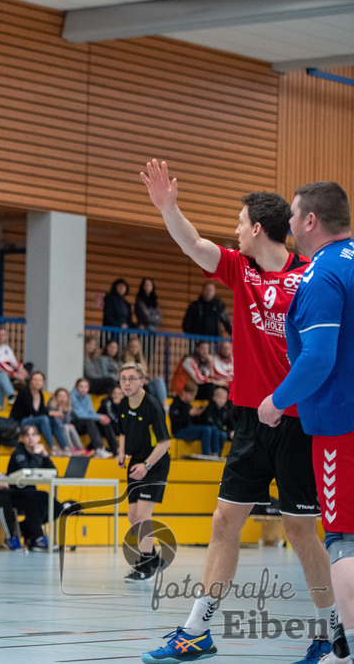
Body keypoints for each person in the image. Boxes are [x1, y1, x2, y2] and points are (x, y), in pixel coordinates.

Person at [140, 160, 343, 664]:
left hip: (299, 420)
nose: (233, 230)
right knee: (224, 520)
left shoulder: (312, 275)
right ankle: (196, 632)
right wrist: (169, 207)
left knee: (300, 530)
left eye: (238, 221)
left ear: (257, 228)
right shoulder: (241, 269)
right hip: (252, 419)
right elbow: (194, 244)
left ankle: (331, 629)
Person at [258, 181, 354, 664]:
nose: (290, 225)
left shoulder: (323, 276)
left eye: (294, 217)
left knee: (343, 539)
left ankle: (349, 651)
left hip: (341, 427)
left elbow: (317, 358)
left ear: (311, 221)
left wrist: (276, 401)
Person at [114, 363, 171, 582]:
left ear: (142, 381)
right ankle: (154, 559)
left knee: (142, 516)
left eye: (131, 378)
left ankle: (146, 566)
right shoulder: (123, 404)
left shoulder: (152, 406)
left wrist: (146, 466)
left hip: (154, 464)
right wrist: (121, 453)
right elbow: (122, 432)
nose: (126, 383)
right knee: (132, 516)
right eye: (123, 379)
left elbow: (164, 443)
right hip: (135, 462)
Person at [5, 424, 63, 551]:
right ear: (22, 439)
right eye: (27, 435)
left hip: (32, 492)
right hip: (15, 493)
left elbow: (54, 472)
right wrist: (37, 454)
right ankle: (38, 539)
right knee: (33, 501)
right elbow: (28, 471)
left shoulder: (40, 453)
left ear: (38, 438)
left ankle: (21, 528)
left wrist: (46, 455)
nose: (30, 438)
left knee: (57, 507)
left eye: (33, 435)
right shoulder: (18, 453)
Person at [9, 371, 69, 455]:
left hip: (33, 421)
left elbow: (41, 410)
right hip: (20, 421)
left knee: (52, 420)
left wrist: (51, 414)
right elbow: (33, 412)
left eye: (40, 380)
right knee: (44, 418)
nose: (38, 382)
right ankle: (53, 447)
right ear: (30, 381)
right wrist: (52, 413)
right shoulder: (24, 392)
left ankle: (65, 448)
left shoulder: (40, 394)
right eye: (35, 380)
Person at [169, 382, 222, 457]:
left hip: (189, 429)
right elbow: (176, 423)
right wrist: (189, 414)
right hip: (179, 431)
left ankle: (215, 453)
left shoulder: (189, 405)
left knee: (214, 429)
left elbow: (196, 424)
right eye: (191, 395)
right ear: (184, 392)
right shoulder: (175, 405)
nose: (193, 398)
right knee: (206, 430)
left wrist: (198, 414)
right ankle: (206, 454)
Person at [69, 378, 115, 457]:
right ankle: (99, 449)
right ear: (76, 387)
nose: (83, 389)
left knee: (104, 422)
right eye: (81, 386)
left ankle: (115, 450)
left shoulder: (87, 397)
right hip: (75, 424)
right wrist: (98, 417)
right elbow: (80, 415)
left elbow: (90, 412)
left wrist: (100, 417)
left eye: (86, 387)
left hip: (85, 423)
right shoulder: (72, 396)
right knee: (90, 421)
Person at [121, 336, 168, 406]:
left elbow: (146, 375)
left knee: (159, 380)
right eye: (132, 346)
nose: (134, 348)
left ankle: (165, 405)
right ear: (128, 347)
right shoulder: (124, 360)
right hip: (135, 386)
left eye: (136, 347)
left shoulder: (141, 360)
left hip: (145, 384)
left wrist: (147, 378)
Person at [0, 326, 28, 395]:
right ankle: (11, 395)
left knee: (29, 366)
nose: (1, 337)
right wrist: (13, 373)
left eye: (3, 335)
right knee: (3, 376)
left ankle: (16, 382)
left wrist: (20, 369)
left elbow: (14, 361)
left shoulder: (6, 347)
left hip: (8, 371)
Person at [47, 387, 87, 454]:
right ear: (55, 397)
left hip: (62, 427)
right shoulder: (51, 406)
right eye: (60, 396)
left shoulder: (67, 408)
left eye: (64, 396)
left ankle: (80, 448)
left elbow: (66, 422)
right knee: (66, 427)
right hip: (54, 428)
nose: (62, 398)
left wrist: (65, 410)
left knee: (71, 426)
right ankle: (70, 449)